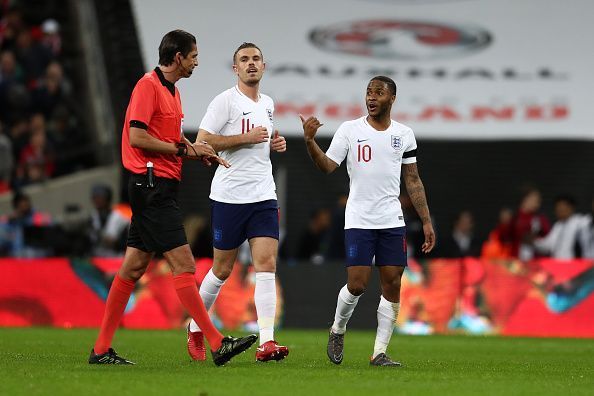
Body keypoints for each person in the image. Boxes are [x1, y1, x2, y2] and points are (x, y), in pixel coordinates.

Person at [88, 30, 257, 366]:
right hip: (150, 186)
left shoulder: (173, 93)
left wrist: (196, 151)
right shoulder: (146, 86)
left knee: (133, 267)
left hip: (159, 187)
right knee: (184, 264)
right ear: (178, 57)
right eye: (193, 55)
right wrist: (181, 149)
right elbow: (137, 136)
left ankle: (100, 349)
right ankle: (216, 340)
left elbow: (171, 137)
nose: (196, 61)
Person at [300, 76, 435, 367]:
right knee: (358, 284)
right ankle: (337, 329)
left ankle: (379, 352)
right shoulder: (350, 130)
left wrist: (426, 220)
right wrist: (310, 141)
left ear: (392, 98)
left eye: (379, 93)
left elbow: (412, 179)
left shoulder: (404, 134)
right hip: (360, 218)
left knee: (393, 282)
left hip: (391, 218)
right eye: (368, 92)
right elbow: (327, 166)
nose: (371, 97)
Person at [187, 42, 289, 363]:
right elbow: (202, 140)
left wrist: (274, 142)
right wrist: (243, 138)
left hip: (263, 196)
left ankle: (267, 342)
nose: (251, 64)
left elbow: (260, 141)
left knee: (266, 266)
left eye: (256, 58)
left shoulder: (269, 103)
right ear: (235, 69)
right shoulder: (225, 101)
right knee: (221, 269)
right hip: (230, 198)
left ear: (264, 65)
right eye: (244, 60)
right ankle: (195, 327)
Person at [533, 195, 589, 259]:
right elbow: (548, 246)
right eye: (557, 209)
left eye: (562, 208)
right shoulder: (558, 225)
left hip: (576, 264)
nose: (560, 211)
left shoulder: (581, 222)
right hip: (558, 264)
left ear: (571, 207)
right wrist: (534, 242)